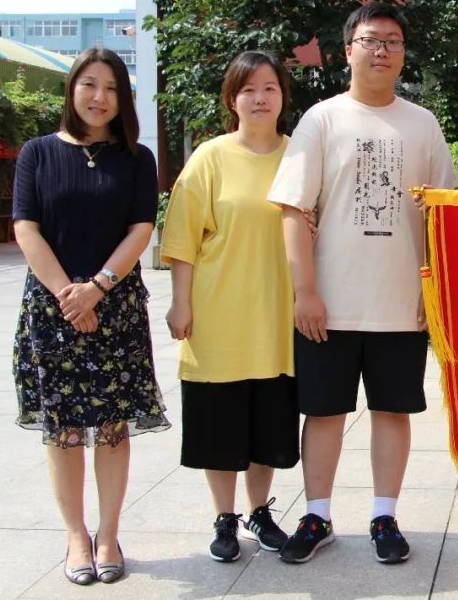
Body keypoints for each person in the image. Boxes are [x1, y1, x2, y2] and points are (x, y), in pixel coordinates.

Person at [268, 1, 457, 565]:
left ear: (403, 54)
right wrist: (305, 291)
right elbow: (293, 210)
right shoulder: (322, 119)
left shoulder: (422, 123)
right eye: (371, 40)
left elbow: (442, 213)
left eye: (393, 42)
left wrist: (434, 293)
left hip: (400, 302)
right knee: (323, 412)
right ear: (348, 49)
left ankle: (384, 516)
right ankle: (317, 516)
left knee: (392, 411)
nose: (382, 51)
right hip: (329, 304)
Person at [11, 48, 170, 585]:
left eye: (112, 88)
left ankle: (108, 534)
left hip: (115, 307)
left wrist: (97, 289)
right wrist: (68, 295)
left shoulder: (136, 158)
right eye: (90, 84)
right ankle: (76, 536)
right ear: (72, 88)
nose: (100, 97)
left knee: (112, 426)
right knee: (64, 431)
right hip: (53, 308)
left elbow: (141, 229)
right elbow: (26, 227)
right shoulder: (37, 152)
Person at [162, 51, 299, 563]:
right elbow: (181, 238)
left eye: (269, 88)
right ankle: (224, 517)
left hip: (276, 315)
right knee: (218, 424)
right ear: (232, 99)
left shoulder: (299, 156)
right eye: (248, 89)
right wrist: (180, 303)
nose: (260, 98)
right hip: (218, 312)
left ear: (282, 96)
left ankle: (259, 511)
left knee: (268, 425)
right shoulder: (210, 157)